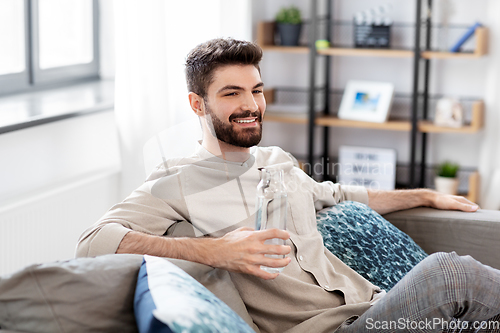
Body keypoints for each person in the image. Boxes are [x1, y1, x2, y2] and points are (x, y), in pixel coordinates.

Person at [76, 38, 500, 333]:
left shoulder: (277, 160)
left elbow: (340, 195)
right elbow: (93, 242)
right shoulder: (178, 181)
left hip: (375, 308)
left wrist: (424, 195)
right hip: (330, 330)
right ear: (197, 103)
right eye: (231, 94)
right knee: (450, 273)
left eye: (257, 91)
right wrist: (214, 251)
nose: (250, 105)